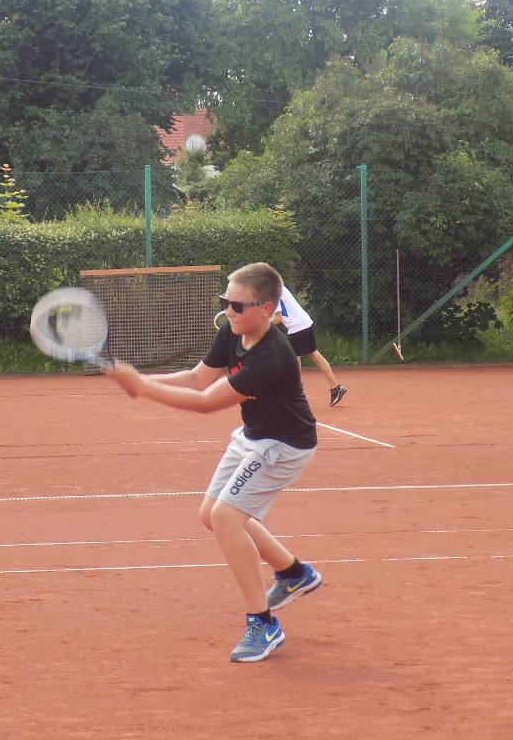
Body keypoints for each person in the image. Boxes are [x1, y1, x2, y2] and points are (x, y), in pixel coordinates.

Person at [103, 262, 323, 663]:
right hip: (254, 437)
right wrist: (141, 380)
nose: (228, 311)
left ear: (266, 308)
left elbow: (205, 403)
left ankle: (263, 624)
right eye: (225, 302)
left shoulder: (273, 356)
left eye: (237, 305)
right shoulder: (232, 332)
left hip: (284, 445)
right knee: (211, 515)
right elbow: (196, 378)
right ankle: (293, 573)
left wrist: (143, 388)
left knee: (225, 518)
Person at [272, 286, 346, 406]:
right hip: (303, 322)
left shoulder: (273, 291)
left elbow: (278, 317)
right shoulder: (278, 287)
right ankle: (335, 387)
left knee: (295, 358)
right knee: (313, 354)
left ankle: (294, 393)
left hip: (297, 326)